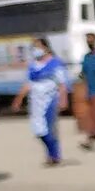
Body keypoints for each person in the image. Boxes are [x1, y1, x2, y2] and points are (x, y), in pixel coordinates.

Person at [24, 38, 68, 167]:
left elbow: (62, 84)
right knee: (39, 131)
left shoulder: (55, 64)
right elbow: (28, 84)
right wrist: (18, 99)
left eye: (38, 47)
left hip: (50, 100)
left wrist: (63, 100)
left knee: (49, 129)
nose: (36, 50)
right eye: (34, 47)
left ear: (46, 48)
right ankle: (51, 153)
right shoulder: (33, 66)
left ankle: (54, 155)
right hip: (36, 102)